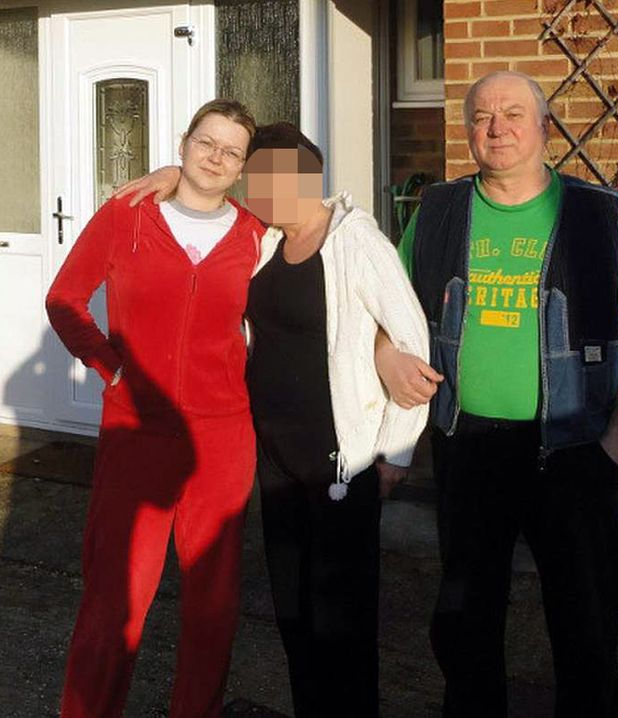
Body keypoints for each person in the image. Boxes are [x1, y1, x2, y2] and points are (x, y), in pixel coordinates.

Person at [378, 70, 618, 717]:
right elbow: (388, 314)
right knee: (465, 621)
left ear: (544, 127)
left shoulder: (597, 215)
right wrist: (386, 356)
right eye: (482, 116)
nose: (497, 127)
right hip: (467, 447)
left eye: (513, 113)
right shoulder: (439, 212)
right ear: (467, 132)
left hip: (574, 451)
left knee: (586, 625)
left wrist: (615, 447)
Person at [116, 122, 431, 718]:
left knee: (342, 620)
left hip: (345, 459)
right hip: (277, 458)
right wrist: (174, 177)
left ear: (311, 175)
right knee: (293, 612)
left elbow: (410, 340)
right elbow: (213, 197)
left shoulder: (355, 240)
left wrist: (396, 451)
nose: (270, 188)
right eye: (261, 178)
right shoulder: (262, 241)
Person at [46, 99, 265, 717]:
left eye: (231, 151)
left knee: (213, 605)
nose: (216, 158)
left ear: (244, 166)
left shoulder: (255, 235)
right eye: (206, 143)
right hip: (136, 433)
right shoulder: (128, 217)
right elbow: (65, 298)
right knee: (116, 598)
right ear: (183, 141)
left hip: (222, 439)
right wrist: (111, 368)